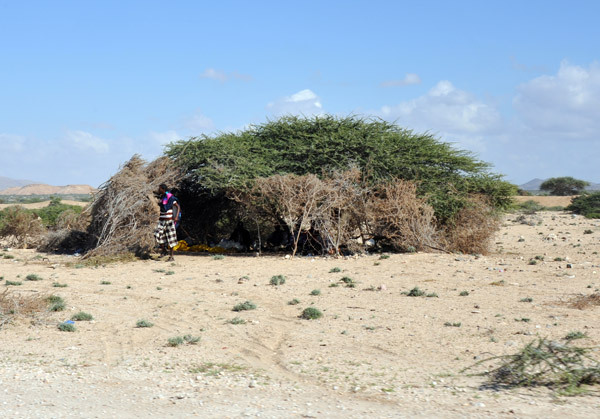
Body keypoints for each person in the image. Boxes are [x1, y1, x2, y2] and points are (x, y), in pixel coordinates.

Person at [154, 184, 180, 261]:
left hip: (169, 221)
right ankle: (164, 251)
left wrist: (176, 217)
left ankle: (171, 257)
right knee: (157, 235)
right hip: (162, 220)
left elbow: (177, 207)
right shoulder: (162, 198)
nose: (159, 190)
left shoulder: (171, 198)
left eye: (159, 189)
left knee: (171, 238)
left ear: (163, 189)